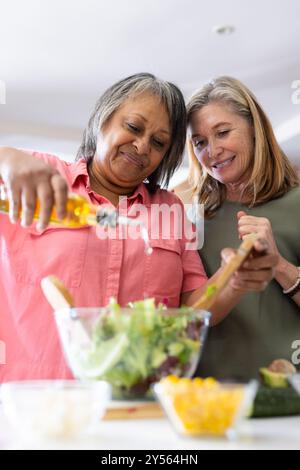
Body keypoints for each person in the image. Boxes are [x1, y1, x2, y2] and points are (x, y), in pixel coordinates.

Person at [0, 73, 276, 383]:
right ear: (103, 120)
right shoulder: (42, 179)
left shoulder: (169, 209)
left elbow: (191, 309)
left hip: (139, 400)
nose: (142, 146)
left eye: (158, 142)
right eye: (133, 127)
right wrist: (7, 158)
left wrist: (235, 281)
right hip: (34, 400)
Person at [180, 76, 300, 381]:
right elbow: (187, 315)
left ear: (254, 128)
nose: (213, 151)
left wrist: (280, 265)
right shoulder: (190, 218)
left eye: (222, 133)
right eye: (200, 143)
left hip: (290, 392)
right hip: (213, 394)